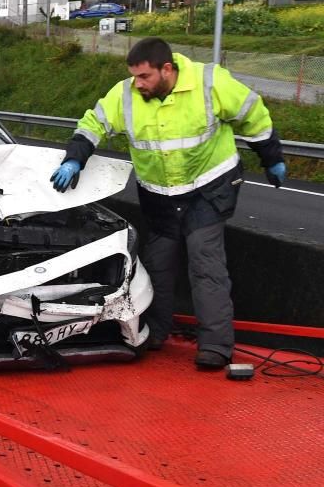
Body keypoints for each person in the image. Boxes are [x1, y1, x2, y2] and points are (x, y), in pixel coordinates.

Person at [50, 37, 285, 371]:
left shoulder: (210, 82)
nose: (138, 84)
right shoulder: (126, 95)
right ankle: (155, 331)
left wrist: (271, 157)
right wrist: (75, 159)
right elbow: (94, 124)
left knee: (205, 264)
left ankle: (216, 346)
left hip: (208, 189)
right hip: (160, 195)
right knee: (157, 264)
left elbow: (253, 115)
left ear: (167, 69)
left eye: (144, 77)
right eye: (134, 77)